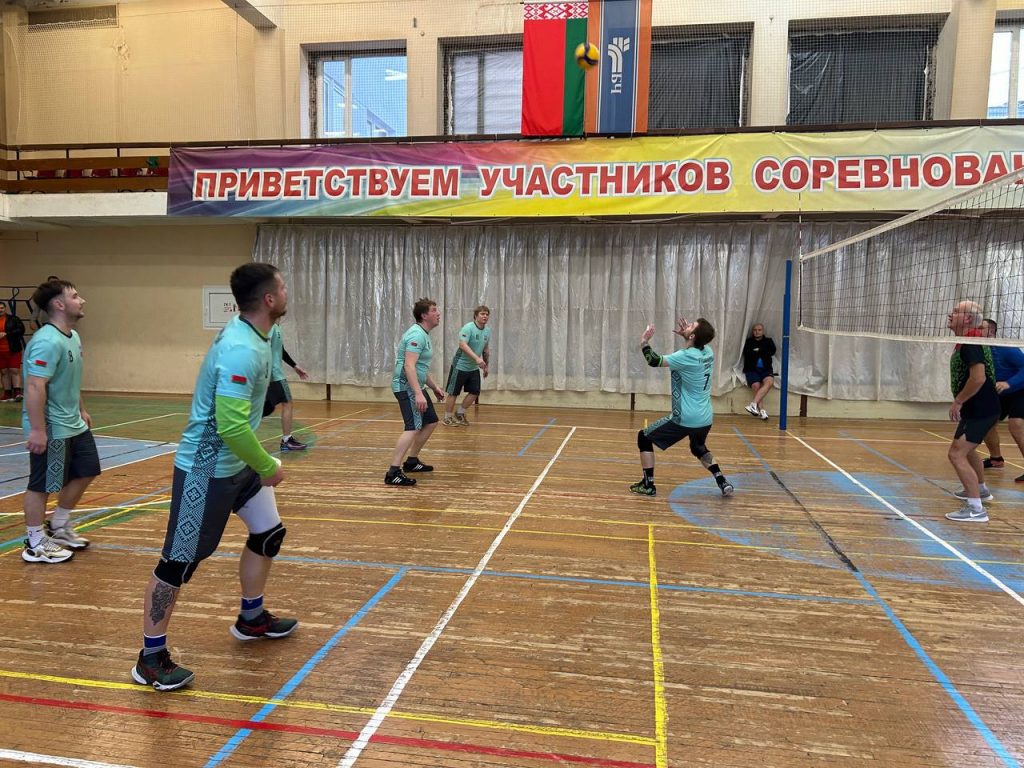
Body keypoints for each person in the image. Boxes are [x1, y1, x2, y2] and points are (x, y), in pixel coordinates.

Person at [133, 263, 296, 692]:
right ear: (269, 299)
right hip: (205, 471)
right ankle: (150, 658)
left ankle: (251, 618)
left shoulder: (260, 335)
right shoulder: (241, 348)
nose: (286, 292)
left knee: (269, 534)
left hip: (236, 465)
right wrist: (268, 466)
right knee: (177, 563)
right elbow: (231, 425)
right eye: (282, 287)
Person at [20, 279, 99, 563]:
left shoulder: (72, 336)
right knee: (42, 483)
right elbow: (35, 386)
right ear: (59, 304)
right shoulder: (47, 341)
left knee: (87, 469)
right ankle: (35, 543)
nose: (82, 300)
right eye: (75, 296)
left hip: (73, 422)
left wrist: (81, 409)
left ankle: (58, 525)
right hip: (52, 426)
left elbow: (70, 380)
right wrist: (38, 430)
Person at [630, 317, 734, 498]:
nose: (687, 325)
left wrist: (644, 341)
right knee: (698, 447)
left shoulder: (685, 356)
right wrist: (688, 336)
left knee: (644, 437)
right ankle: (721, 480)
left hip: (685, 417)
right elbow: (694, 347)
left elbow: (653, 360)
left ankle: (648, 485)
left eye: (691, 326)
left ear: (693, 336)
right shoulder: (708, 352)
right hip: (705, 416)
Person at [945, 301, 1001, 523]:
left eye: (956, 312)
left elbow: (978, 378)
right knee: (967, 451)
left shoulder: (970, 343)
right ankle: (981, 490)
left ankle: (976, 509)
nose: (950, 314)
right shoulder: (970, 339)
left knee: (956, 454)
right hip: (980, 407)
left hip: (980, 408)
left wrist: (958, 401)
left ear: (968, 319)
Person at [386, 297, 446, 486]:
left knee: (431, 421)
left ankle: (412, 461)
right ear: (424, 315)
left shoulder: (423, 334)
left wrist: (434, 387)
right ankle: (393, 472)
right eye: (434, 310)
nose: (438, 313)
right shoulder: (416, 335)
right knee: (412, 427)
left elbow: (419, 368)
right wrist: (418, 394)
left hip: (416, 386)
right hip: (406, 387)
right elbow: (409, 366)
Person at [981, 318, 1024, 482]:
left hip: (1019, 389)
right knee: (985, 423)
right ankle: (996, 459)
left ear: (991, 332)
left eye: (981, 328)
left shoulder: (1005, 348)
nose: (977, 330)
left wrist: (1009, 383)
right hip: (999, 392)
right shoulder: (977, 348)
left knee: (1016, 425)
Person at [264, 320, 310, 451]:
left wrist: (295, 366)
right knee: (287, 402)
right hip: (274, 375)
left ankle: (233, 431)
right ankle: (286, 440)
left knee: (264, 407)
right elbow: (264, 350)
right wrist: (266, 375)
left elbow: (280, 350)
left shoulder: (277, 327)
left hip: (273, 374)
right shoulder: (269, 326)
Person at [443, 305, 491, 427]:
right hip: (460, 365)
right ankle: (447, 417)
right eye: (482, 314)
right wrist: (477, 358)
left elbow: (485, 349)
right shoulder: (468, 328)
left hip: (473, 367)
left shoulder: (487, 331)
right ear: (476, 316)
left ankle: (459, 413)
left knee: (475, 391)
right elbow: (463, 345)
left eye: (487, 314)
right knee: (453, 392)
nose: (485, 316)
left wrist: (486, 366)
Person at [741, 323, 776, 420]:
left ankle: (753, 404)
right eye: (755, 330)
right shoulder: (748, 342)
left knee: (769, 382)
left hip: (766, 369)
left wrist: (758, 350)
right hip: (752, 369)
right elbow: (748, 353)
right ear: (752, 331)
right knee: (756, 386)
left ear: (763, 331)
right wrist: (762, 351)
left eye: (759, 330)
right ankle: (762, 411)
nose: (757, 332)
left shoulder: (769, 341)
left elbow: (772, 351)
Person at [0, 301, 27, 401]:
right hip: (0, 351)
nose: (0, 310)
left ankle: (17, 393)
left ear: (5, 308)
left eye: (2, 308)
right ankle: (7, 394)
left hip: (13, 349)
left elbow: (21, 330)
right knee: (4, 372)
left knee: (14, 370)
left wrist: (7, 333)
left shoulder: (13, 319)